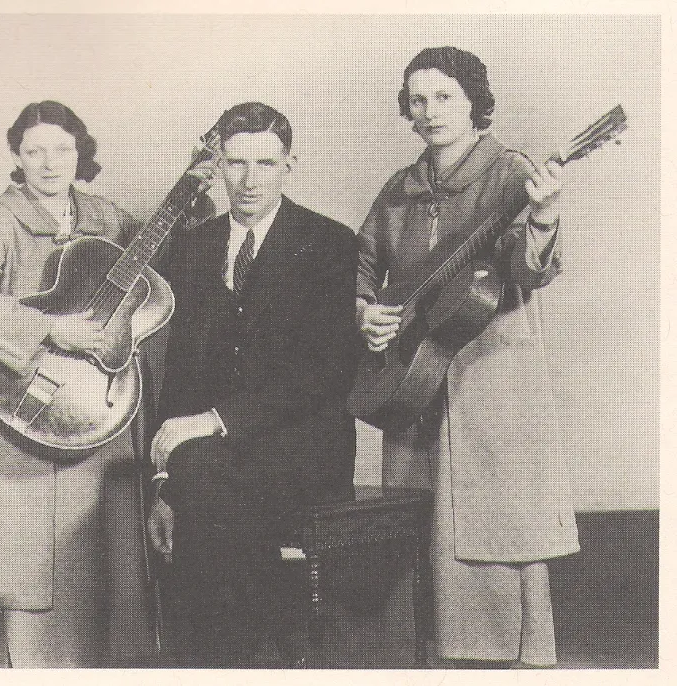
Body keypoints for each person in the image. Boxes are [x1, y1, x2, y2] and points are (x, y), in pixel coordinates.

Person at [0, 101, 211, 667]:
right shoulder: (0, 218)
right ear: (18, 157)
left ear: (79, 153)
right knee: (35, 567)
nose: (49, 163)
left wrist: (194, 190)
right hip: (33, 405)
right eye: (35, 151)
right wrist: (51, 329)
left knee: (108, 556)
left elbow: (166, 258)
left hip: (100, 407)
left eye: (62, 149)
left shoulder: (103, 217)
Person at [356, 47, 580, 668]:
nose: (429, 111)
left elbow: (529, 272)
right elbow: (366, 264)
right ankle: (431, 661)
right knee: (415, 514)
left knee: (492, 519)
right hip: (414, 376)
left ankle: (503, 662)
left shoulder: (510, 174)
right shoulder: (400, 188)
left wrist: (544, 217)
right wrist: (365, 310)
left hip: (493, 375)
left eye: (444, 97)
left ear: (474, 101)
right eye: (418, 100)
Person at [147, 102, 359, 667]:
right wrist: (163, 482)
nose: (249, 179)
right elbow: (180, 375)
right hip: (211, 454)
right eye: (235, 163)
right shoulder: (193, 247)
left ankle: (225, 660)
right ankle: (246, 656)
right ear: (216, 165)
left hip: (305, 444)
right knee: (201, 480)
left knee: (205, 484)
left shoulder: (330, 243)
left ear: (290, 165)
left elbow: (326, 373)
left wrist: (214, 423)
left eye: (265, 163)